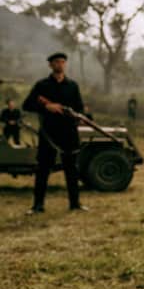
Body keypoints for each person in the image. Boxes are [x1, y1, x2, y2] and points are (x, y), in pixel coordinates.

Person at [22, 52, 88, 214]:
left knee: (71, 170)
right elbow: (27, 105)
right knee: (43, 170)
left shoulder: (72, 85)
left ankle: (75, 204)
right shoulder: (42, 85)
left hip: (68, 133)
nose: (60, 64)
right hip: (49, 134)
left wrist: (79, 117)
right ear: (50, 65)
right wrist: (46, 106)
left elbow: (79, 107)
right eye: (57, 62)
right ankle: (38, 206)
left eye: (63, 62)